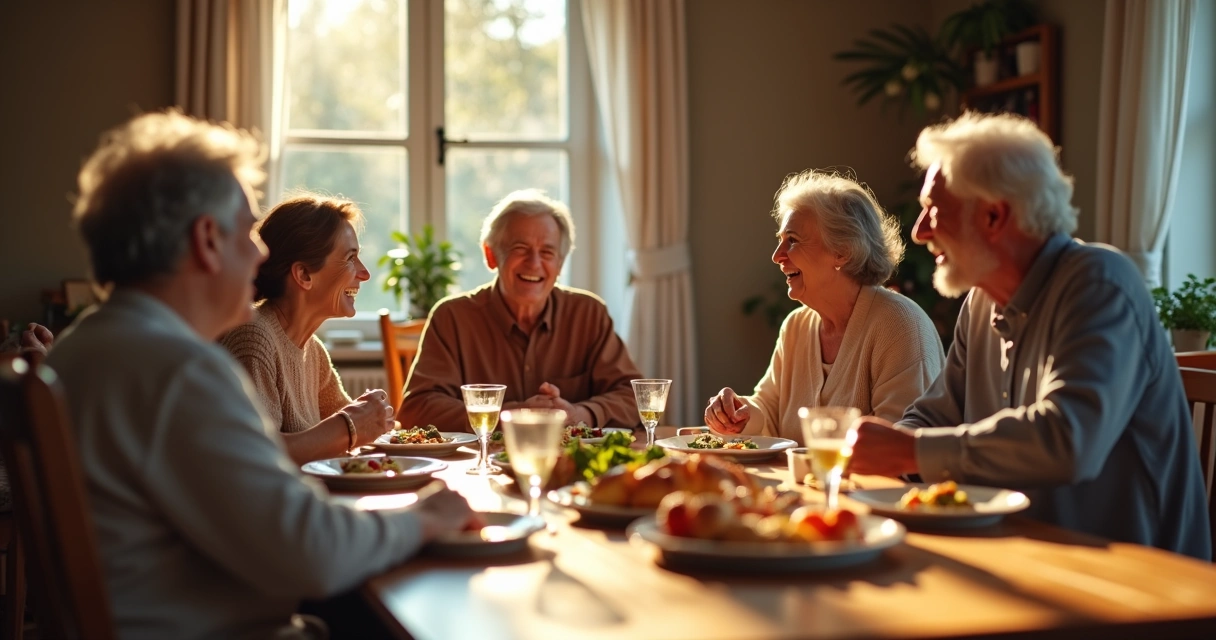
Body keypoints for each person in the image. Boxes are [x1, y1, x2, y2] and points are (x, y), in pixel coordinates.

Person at [45, 110, 478, 639]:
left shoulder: (84, 347)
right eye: (248, 229)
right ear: (207, 239)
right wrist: (427, 518)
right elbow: (309, 552)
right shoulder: (178, 370)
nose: (261, 251)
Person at [849, 112, 1211, 560]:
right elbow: (935, 417)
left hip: (1142, 587)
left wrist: (911, 452)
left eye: (933, 210)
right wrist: (878, 450)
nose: (920, 232)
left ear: (994, 216)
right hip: (1029, 557)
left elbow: (1068, 438)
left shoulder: (1099, 283)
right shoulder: (980, 303)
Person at [704, 170, 945, 442]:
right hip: (803, 485)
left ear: (842, 251)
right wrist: (737, 414)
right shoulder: (797, 326)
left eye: (792, 240)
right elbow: (768, 409)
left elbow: (897, 445)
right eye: (780, 240)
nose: (777, 256)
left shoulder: (899, 324)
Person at [398, 189, 642, 431]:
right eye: (520, 248)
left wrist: (581, 413)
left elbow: (634, 398)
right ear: (491, 255)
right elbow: (417, 409)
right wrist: (509, 415)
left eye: (547, 252)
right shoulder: (452, 317)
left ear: (560, 264)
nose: (534, 263)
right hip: (479, 466)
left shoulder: (589, 314)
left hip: (574, 465)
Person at [220, 195, 393, 464]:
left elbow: (357, 428)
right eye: (351, 258)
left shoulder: (313, 351)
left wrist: (372, 420)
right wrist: (351, 426)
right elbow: (258, 455)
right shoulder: (253, 338)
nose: (365, 273)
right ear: (304, 275)